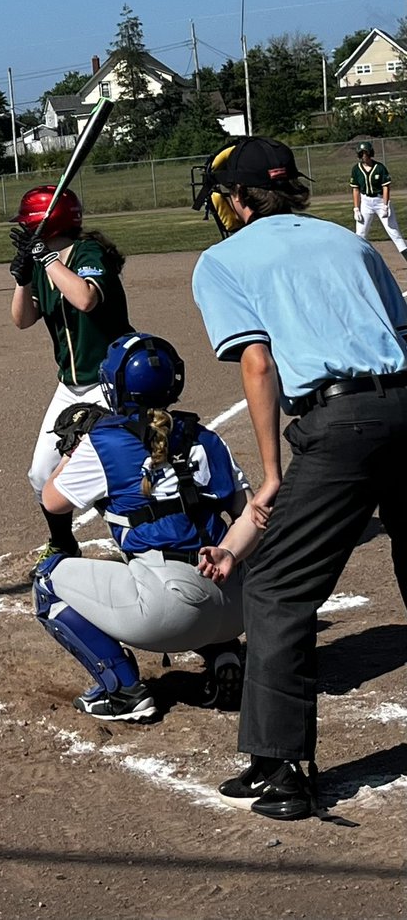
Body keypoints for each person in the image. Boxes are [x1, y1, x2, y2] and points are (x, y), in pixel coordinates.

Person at [191, 135, 407, 821]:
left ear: (238, 199)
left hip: (342, 424)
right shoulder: (349, 242)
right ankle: (264, 759)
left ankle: (284, 769)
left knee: (278, 588)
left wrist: (271, 474)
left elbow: (258, 363)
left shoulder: (223, 259)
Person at [33, 332, 259, 723]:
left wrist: (76, 449)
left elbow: (51, 499)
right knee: (204, 550)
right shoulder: (206, 438)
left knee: (47, 581)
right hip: (238, 604)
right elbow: (251, 514)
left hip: (169, 610)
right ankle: (225, 654)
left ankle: (122, 690)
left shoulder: (106, 442)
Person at [9, 185, 133, 565]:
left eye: (28, 223)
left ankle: (139, 540)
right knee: (41, 472)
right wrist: (22, 278)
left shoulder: (88, 253)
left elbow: (85, 298)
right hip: (70, 386)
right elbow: (22, 320)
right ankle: (63, 543)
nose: (25, 230)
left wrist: (46, 259)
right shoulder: (43, 264)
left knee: (108, 470)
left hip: (109, 382)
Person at [350, 140, 407, 263]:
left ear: (371, 153)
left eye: (366, 153)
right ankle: (358, 262)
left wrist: (385, 205)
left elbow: (386, 187)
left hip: (380, 201)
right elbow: (356, 189)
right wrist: (356, 208)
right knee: (360, 234)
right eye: (362, 153)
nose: (364, 156)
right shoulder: (356, 169)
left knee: (394, 232)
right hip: (365, 202)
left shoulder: (380, 168)